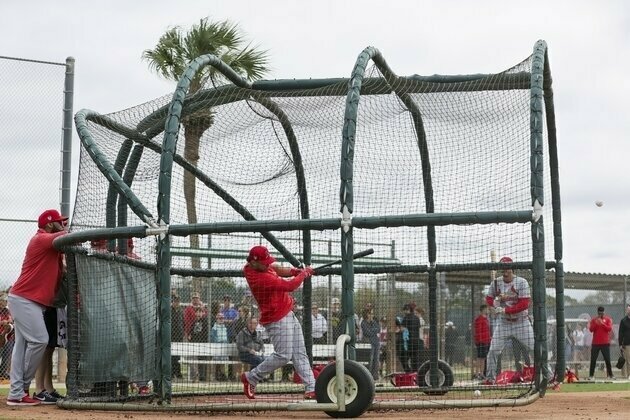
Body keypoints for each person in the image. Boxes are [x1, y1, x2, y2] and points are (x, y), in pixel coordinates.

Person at [7, 209, 68, 406]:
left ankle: (16, 393)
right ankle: (22, 387)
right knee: (40, 340)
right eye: (59, 222)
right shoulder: (40, 239)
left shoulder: (52, 247)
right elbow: (69, 236)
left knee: (22, 346)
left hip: (27, 300)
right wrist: (63, 230)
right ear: (50, 224)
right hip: (24, 299)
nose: (63, 224)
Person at [240, 245, 316, 400]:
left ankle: (311, 387)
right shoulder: (260, 279)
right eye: (264, 262)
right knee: (283, 355)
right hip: (276, 319)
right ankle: (251, 377)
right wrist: (304, 274)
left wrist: (294, 271)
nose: (267, 264)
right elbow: (290, 285)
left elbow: (276, 268)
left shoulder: (258, 266)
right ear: (254, 262)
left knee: (300, 353)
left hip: (288, 313)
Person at [483, 256, 534, 383]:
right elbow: (489, 299)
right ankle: (490, 378)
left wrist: (505, 309)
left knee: (535, 349)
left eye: (507, 268)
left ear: (512, 268)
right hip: (504, 323)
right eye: (503, 268)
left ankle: (548, 377)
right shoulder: (496, 283)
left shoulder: (522, 282)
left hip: (521, 322)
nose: (505, 270)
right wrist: (496, 302)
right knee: (493, 351)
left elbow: (524, 304)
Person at [588, 306, 614, 380]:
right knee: (593, 359)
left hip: (605, 343)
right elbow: (591, 330)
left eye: (602, 313)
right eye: (599, 313)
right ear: (598, 313)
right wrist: (596, 323)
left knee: (607, 359)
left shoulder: (608, 319)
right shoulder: (594, 320)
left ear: (604, 312)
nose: (601, 314)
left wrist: (602, 323)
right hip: (595, 343)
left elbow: (609, 329)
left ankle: (610, 375)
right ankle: (591, 375)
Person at [360, 307, 380, 380]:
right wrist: (373, 331)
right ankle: (368, 376)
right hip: (369, 343)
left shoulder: (374, 322)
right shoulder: (363, 323)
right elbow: (367, 332)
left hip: (376, 342)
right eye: (370, 313)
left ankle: (375, 376)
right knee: (370, 360)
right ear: (367, 314)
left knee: (376, 360)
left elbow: (378, 329)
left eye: (372, 313)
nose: (372, 315)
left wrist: (372, 331)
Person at [473, 304, 491, 380]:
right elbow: (478, 331)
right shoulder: (479, 319)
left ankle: (482, 373)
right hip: (481, 342)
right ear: (483, 310)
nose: (488, 311)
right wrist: (478, 341)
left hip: (486, 341)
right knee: (479, 358)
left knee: (483, 358)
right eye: (486, 309)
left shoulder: (486, 319)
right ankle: (477, 374)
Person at [401, 303, 421, 372]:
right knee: (415, 358)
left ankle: (408, 371)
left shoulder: (406, 318)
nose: (404, 312)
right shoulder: (417, 318)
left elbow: (402, 329)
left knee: (404, 357)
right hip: (416, 340)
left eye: (404, 310)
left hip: (409, 341)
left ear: (408, 310)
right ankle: (416, 372)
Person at [0, 293, 14, 382]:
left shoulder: (7, 310)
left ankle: (2, 372)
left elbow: (11, 320)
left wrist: (8, 321)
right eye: (3, 301)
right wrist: (3, 322)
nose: (5, 302)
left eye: (6, 301)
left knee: (7, 353)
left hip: (7, 336)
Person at [171, 294, 184, 379]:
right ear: (173, 302)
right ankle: (171, 372)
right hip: (171, 335)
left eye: (178, 301)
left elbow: (182, 323)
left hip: (179, 336)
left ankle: (178, 372)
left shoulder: (180, 311)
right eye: (175, 301)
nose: (177, 303)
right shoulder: (170, 310)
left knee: (178, 355)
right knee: (171, 356)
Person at [618, 303, 630, 379]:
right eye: (628, 310)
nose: (629, 311)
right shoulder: (623, 321)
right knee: (628, 360)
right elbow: (621, 333)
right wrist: (620, 344)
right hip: (627, 343)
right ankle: (628, 375)